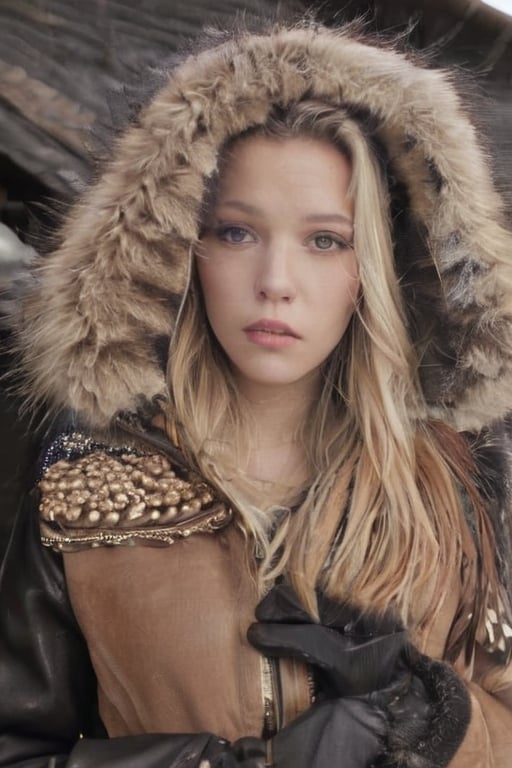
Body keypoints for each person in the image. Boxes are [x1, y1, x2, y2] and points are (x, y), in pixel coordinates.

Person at [1, 17, 512, 768]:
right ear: (181, 245)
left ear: (371, 266)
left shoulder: (458, 481)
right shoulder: (85, 476)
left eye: (324, 240)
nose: (275, 283)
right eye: (237, 233)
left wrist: (423, 720)